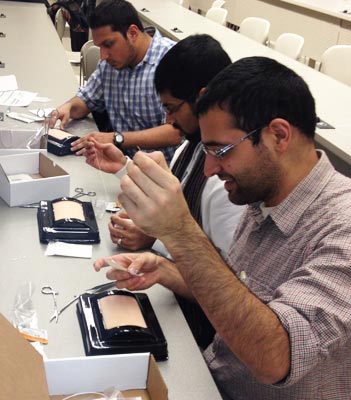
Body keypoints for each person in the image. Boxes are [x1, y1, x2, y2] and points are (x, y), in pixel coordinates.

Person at [95, 56, 351, 399]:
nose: (210, 169)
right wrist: (169, 271)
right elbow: (237, 295)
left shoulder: (341, 226)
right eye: (205, 151)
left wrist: (180, 232)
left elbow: (277, 358)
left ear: (278, 135)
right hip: (210, 378)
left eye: (221, 151)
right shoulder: (264, 192)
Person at [85, 34, 245, 348]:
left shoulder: (225, 185)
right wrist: (123, 167)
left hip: (195, 332)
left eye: (172, 108)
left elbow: (227, 287)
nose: (168, 119)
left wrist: (154, 239)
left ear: (201, 98)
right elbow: (173, 198)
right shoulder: (193, 145)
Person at [52, 0, 181, 164]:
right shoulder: (110, 65)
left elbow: (176, 132)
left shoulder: (172, 61)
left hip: (163, 171)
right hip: (121, 164)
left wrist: (116, 138)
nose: (103, 56)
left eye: (108, 44)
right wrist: (68, 107)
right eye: (100, 47)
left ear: (133, 33)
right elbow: (86, 100)